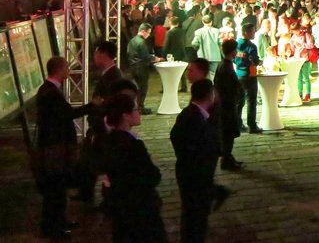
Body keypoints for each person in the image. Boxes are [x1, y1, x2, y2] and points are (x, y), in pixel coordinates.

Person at [34, 57, 98, 239]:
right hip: (55, 148)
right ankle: (54, 228)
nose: (69, 70)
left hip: (54, 147)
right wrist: (91, 106)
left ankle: (59, 222)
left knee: (57, 188)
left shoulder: (48, 90)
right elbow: (67, 114)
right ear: (59, 70)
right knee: (56, 188)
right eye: (66, 68)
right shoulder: (51, 93)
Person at [102, 94, 167, 243]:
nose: (139, 113)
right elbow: (153, 176)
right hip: (139, 212)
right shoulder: (133, 146)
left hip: (121, 212)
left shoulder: (110, 141)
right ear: (125, 116)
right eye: (136, 109)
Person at [170, 76, 225, 243]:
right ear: (210, 95)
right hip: (194, 177)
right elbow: (181, 141)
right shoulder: (191, 117)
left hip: (197, 176)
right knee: (194, 218)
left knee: (196, 217)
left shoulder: (200, 115)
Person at [75, 41, 124, 203]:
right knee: (90, 161)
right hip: (100, 125)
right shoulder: (110, 75)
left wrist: (98, 111)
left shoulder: (113, 76)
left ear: (103, 54)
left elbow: (107, 103)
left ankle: (104, 198)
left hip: (103, 126)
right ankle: (87, 193)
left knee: (99, 164)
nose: (94, 57)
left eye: (96, 53)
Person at [215, 40, 245, 169]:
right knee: (228, 132)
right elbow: (228, 86)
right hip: (226, 105)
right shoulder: (225, 67)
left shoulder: (224, 65)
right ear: (233, 51)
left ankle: (228, 157)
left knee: (228, 132)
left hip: (226, 103)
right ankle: (226, 159)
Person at [127, 23, 162, 114]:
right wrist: (156, 59)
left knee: (136, 88)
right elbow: (146, 56)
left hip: (133, 67)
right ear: (143, 31)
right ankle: (140, 108)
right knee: (143, 89)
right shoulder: (141, 42)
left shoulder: (132, 40)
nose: (149, 35)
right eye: (148, 32)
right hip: (141, 68)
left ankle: (136, 106)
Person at [235, 23, 262, 134]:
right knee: (251, 100)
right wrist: (259, 62)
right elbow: (254, 61)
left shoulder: (236, 44)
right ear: (246, 32)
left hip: (238, 74)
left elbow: (233, 59)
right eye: (252, 31)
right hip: (249, 75)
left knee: (239, 101)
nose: (254, 33)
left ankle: (238, 123)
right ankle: (252, 125)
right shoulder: (251, 46)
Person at [192, 14, 223, 79]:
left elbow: (194, 43)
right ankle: (212, 87)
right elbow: (221, 43)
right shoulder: (217, 31)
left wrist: (197, 48)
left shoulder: (198, 32)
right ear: (211, 22)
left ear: (202, 22)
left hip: (202, 57)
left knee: (203, 75)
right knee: (213, 76)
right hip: (215, 57)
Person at [290, 24, 316, 102]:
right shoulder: (294, 36)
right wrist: (292, 44)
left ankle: (308, 95)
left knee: (306, 77)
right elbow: (293, 49)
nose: (294, 32)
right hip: (297, 58)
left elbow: (311, 45)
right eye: (293, 31)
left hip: (305, 59)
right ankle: (300, 94)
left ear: (299, 29)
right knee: (298, 78)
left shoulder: (306, 35)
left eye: (295, 30)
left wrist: (302, 44)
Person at [164, 16, 187, 92]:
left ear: (170, 23)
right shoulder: (182, 31)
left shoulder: (169, 32)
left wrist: (164, 54)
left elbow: (166, 44)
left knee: (171, 71)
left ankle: (171, 86)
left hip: (172, 53)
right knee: (182, 71)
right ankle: (184, 86)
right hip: (181, 52)